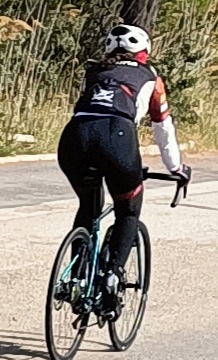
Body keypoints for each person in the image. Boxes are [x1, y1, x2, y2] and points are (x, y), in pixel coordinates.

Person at [57, 22, 188, 311]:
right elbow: (162, 127)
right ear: (145, 51)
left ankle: (76, 278)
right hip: (117, 138)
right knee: (128, 210)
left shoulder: (93, 72)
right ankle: (113, 275)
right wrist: (176, 167)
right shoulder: (150, 77)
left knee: (89, 206)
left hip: (74, 138)